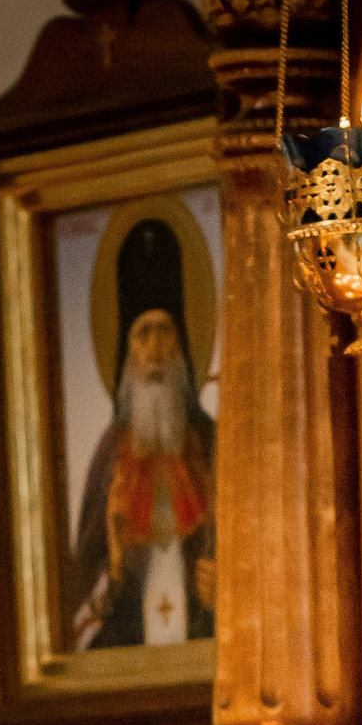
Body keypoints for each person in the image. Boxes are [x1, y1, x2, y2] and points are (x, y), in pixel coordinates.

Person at [70, 208, 216, 648]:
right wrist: (112, 574)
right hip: (128, 629)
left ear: (182, 343)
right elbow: (87, 571)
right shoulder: (111, 453)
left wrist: (226, 589)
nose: (155, 349)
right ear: (127, 351)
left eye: (165, 332)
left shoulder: (211, 444)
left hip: (204, 624)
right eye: (143, 333)